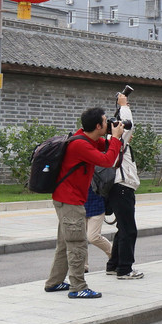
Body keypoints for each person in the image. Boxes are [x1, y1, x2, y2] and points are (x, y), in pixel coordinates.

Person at [44, 107, 124, 299]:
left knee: (65, 243)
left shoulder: (84, 138)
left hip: (67, 199)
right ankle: (78, 287)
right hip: (70, 200)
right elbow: (107, 160)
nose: (108, 124)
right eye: (105, 122)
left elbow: (103, 149)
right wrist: (115, 138)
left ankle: (54, 282)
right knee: (77, 244)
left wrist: (114, 137)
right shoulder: (80, 145)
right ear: (98, 126)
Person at [105, 93, 142, 279]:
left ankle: (113, 265)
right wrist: (123, 104)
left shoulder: (108, 143)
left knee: (123, 228)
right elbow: (128, 123)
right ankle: (125, 269)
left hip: (117, 188)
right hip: (122, 188)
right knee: (129, 230)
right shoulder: (116, 142)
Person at [83, 187, 112, 273]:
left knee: (93, 237)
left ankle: (114, 255)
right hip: (80, 207)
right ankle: (83, 266)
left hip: (96, 206)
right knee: (80, 239)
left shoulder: (96, 173)